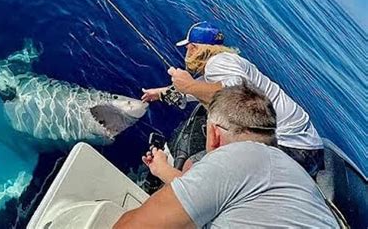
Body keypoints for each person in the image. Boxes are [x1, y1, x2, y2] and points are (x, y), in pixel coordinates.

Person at [115, 84, 338, 228]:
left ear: (212, 132)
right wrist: (162, 171)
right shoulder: (295, 174)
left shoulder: (234, 159)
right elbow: (221, 193)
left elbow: (132, 226)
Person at [142, 21, 324, 176]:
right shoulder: (228, 61)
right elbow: (200, 89)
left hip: (290, 149)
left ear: (195, 48)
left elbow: (238, 94)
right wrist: (160, 93)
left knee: (195, 168)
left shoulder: (218, 63)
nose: (187, 54)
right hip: (308, 147)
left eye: (188, 48)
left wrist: (188, 85)